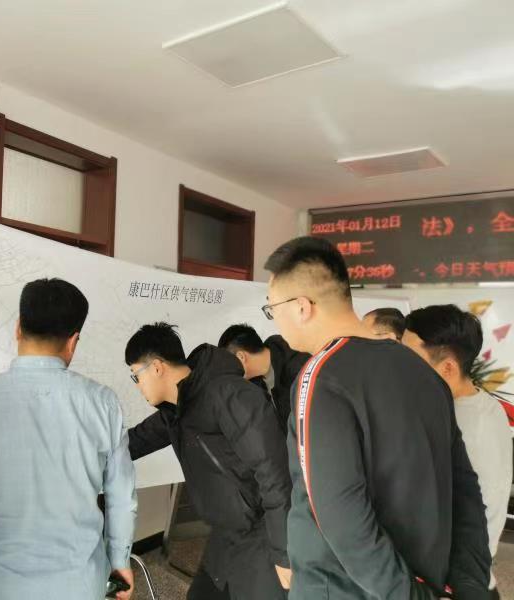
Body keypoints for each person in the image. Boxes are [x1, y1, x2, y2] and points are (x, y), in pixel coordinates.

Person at [262, 236, 490, 600]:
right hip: (422, 580)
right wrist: (470, 587)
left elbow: (341, 515)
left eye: (271, 308)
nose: (274, 320)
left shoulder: (321, 376)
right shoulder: (424, 374)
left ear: (302, 306)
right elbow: (464, 490)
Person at [0, 278, 136, 600]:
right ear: (73, 341)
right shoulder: (103, 403)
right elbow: (120, 497)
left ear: (18, 328)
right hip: (80, 586)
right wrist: (120, 561)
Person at [127, 323, 290, 600]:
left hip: (262, 534)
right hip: (225, 535)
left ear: (156, 367)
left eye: (136, 375)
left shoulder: (229, 394)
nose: (137, 385)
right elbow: (136, 440)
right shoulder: (175, 409)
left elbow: (273, 471)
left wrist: (284, 552)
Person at [404, 304, 512, 599]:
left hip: (455, 586)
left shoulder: (462, 428)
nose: (399, 368)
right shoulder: (484, 406)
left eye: (408, 359)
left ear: (448, 368)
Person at [218, 324, 310, 432]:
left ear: (241, 357)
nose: (230, 374)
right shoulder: (255, 384)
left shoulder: (299, 367)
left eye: (228, 366)